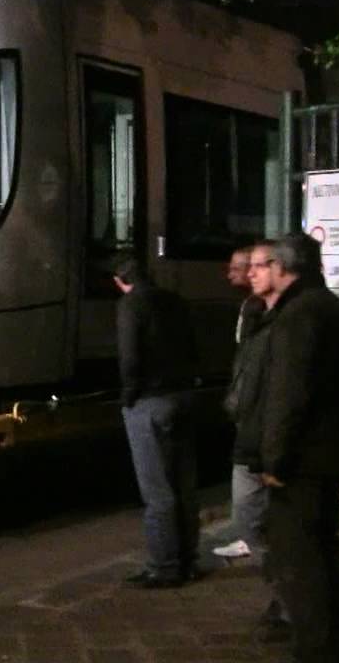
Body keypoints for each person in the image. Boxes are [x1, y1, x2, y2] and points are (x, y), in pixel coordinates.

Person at [259, 233, 339, 663]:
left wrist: (274, 459)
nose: (260, 272)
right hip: (328, 453)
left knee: (302, 558)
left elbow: (289, 394)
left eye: (267, 264)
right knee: (323, 549)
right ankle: (328, 641)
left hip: (305, 458)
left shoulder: (300, 313)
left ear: (284, 268)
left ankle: (317, 649)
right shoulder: (328, 306)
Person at [113, 254, 201, 588]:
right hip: (183, 395)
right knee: (184, 484)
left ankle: (164, 566)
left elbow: (129, 354)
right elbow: (193, 347)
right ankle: (188, 560)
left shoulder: (130, 305)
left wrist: (129, 395)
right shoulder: (175, 301)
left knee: (158, 489)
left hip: (150, 401)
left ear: (121, 282)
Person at [214, 244, 271, 560]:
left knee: (249, 485)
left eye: (240, 266)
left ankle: (257, 542)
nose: (233, 273)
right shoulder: (252, 305)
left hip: (253, 411)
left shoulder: (255, 308)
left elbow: (248, 361)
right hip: (250, 407)